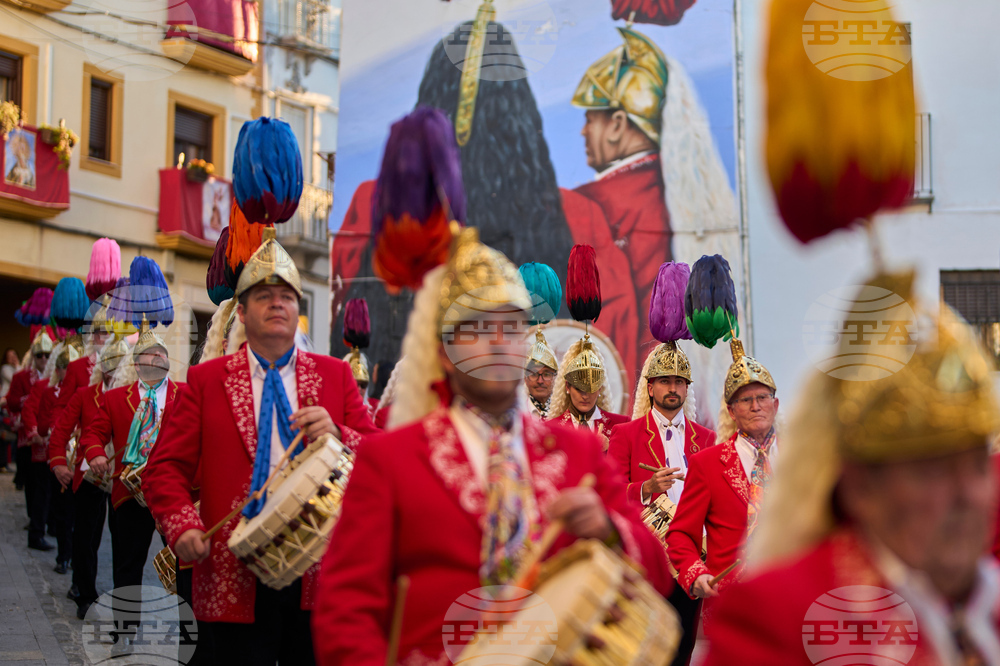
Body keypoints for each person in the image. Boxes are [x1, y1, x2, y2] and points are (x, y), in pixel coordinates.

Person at [312, 225, 672, 665]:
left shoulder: (578, 454)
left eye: (511, 327)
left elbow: (657, 572)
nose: (499, 342)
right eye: (479, 328)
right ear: (446, 353)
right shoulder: (390, 461)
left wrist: (609, 528)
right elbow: (343, 612)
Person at [706, 273, 1000, 664]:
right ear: (860, 487)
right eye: (933, 472)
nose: (967, 495)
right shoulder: (775, 617)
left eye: (979, 467)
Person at [143, 229, 380, 665]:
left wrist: (340, 435)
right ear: (243, 314)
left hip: (317, 571)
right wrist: (182, 526)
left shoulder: (335, 377)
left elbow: (382, 456)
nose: (277, 303)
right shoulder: (206, 381)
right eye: (264, 296)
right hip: (233, 570)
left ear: (298, 311)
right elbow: (164, 468)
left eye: (287, 296)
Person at [608, 338, 716, 665]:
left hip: (692, 556)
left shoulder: (706, 438)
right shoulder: (627, 434)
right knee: (645, 644)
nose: (674, 388)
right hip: (646, 556)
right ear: (651, 387)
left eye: (680, 382)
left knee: (684, 645)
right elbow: (609, 492)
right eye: (666, 381)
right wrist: (646, 487)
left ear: (687, 389)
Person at [78, 319, 183, 652]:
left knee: (185, 566)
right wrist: (95, 455)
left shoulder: (185, 396)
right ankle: (123, 634)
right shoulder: (114, 399)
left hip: (174, 493)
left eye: (161, 355)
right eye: (150, 356)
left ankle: (189, 631)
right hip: (129, 494)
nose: (157, 361)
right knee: (127, 566)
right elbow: (93, 433)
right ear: (137, 364)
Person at [665, 338, 778, 621]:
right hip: (732, 608)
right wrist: (696, 573)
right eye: (745, 400)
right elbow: (680, 534)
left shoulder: (800, 459)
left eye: (762, 397)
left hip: (792, 599)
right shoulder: (707, 464)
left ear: (775, 404)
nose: (755, 406)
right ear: (731, 411)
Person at [49, 335, 129, 618]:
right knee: (86, 539)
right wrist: (59, 463)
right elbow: (60, 430)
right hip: (90, 477)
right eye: (108, 364)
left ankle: (124, 604)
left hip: (123, 480)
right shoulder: (85, 394)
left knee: (124, 546)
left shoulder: (133, 398)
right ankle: (84, 594)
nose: (112, 370)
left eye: (118, 364)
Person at [8, 330, 55, 549]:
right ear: (34, 356)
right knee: (33, 485)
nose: (43, 359)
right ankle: (36, 525)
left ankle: (46, 524)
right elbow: (14, 403)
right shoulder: (23, 378)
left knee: (46, 488)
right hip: (29, 438)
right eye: (40, 355)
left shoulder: (55, 378)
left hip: (50, 440)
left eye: (47, 355)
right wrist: (33, 431)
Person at [546, 334, 628, 450]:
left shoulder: (621, 425)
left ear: (599, 388)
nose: (584, 396)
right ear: (567, 387)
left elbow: (626, 467)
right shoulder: (550, 429)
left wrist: (608, 451)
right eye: (579, 389)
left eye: (591, 389)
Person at [523, 330, 558, 419]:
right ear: (525, 379)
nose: (540, 381)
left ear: (555, 378)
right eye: (534, 374)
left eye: (546, 374)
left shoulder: (563, 412)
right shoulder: (519, 414)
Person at [0, 347, 21, 473]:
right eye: (10, 355)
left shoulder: (17, 368)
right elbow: (16, 378)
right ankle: (4, 461)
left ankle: (7, 461)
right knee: (5, 433)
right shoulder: (5, 369)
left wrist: (18, 365)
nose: (13, 358)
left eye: (14, 355)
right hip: (5, 402)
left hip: (12, 402)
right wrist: (18, 365)